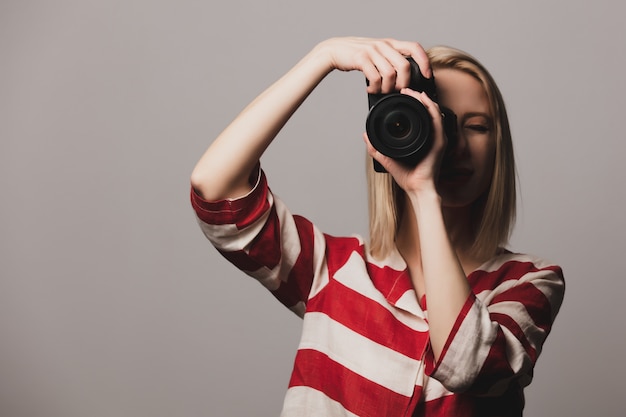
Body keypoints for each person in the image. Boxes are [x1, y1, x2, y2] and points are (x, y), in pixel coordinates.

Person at [190, 37, 565, 417]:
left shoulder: (530, 281)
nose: (455, 144)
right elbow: (216, 190)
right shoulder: (331, 268)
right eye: (439, 121)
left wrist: (423, 194)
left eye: (478, 126)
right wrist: (324, 57)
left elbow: (470, 365)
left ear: (499, 145)